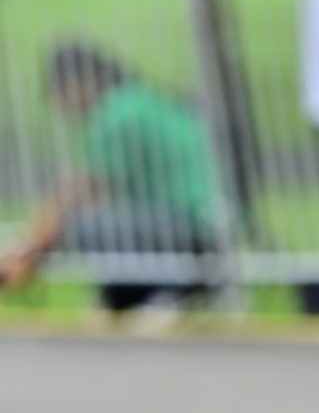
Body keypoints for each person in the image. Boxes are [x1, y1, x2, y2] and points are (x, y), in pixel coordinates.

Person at [0, 42, 225, 313]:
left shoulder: (115, 115)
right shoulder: (140, 99)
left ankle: (172, 291)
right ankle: (126, 295)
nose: (61, 109)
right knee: (103, 222)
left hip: (188, 227)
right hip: (208, 224)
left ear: (77, 83)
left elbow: (72, 194)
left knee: (83, 226)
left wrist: (28, 251)